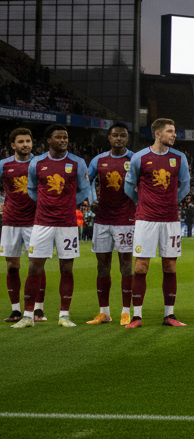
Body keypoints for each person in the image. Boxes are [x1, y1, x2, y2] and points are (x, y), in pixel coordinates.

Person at [10, 125, 90, 328]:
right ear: (48, 140)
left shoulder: (77, 162)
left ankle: (64, 315)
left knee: (67, 268)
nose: (63, 140)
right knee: (35, 267)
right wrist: (47, 205)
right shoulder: (37, 162)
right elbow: (32, 189)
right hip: (42, 223)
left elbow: (84, 189)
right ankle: (28, 316)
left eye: (66, 137)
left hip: (67, 224)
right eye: (58, 137)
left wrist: (68, 205)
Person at [123, 118, 191, 329]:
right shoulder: (139, 157)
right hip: (145, 220)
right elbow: (129, 186)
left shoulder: (179, 158)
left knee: (170, 266)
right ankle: (137, 316)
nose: (174, 135)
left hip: (170, 220)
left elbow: (185, 186)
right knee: (141, 267)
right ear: (158, 133)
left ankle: (169, 315)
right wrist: (142, 204)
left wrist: (169, 203)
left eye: (174, 131)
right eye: (170, 132)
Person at [85, 123, 138, 325]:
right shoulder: (98, 160)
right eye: (115, 135)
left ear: (127, 138)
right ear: (109, 138)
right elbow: (87, 181)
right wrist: (91, 201)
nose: (119, 138)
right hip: (102, 220)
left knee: (126, 265)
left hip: (126, 220)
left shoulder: (135, 159)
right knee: (102, 266)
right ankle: (104, 312)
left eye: (122, 135)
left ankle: (126, 311)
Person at [2, 128, 38, 322]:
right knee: (12, 266)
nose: (25, 144)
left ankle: (38, 310)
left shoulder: (40, 163)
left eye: (28, 141)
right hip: (11, 221)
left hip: (35, 222)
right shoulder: (3, 165)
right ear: (13, 145)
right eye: (21, 141)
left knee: (36, 265)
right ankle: (16, 310)